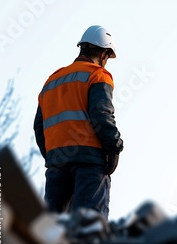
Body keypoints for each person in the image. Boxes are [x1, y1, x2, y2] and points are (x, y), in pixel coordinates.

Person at [33, 25, 124, 219]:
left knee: (51, 232)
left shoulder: (51, 81)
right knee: (89, 229)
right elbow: (101, 113)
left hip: (58, 165)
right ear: (103, 53)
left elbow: (39, 127)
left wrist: (53, 157)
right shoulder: (98, 75)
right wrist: (114, 147)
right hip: (89, 163)